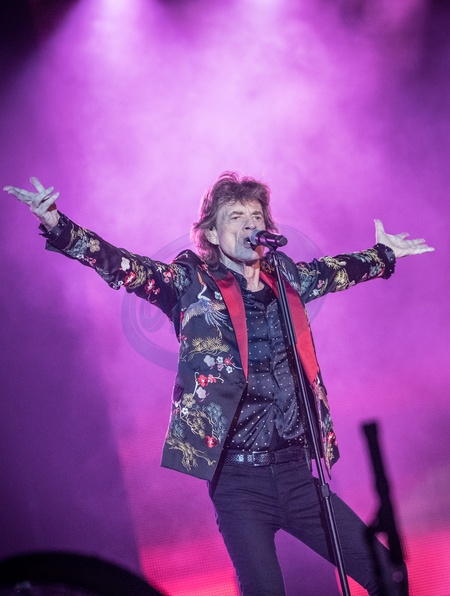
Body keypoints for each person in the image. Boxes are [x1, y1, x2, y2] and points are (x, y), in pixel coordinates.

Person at [4, 174, 433, 595]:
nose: (250, 225)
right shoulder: (189, 283)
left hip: (299, 474)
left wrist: (384, 254)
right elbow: (125, 266)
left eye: (256, 216)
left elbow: (334, 271)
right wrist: (58, 225)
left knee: (387, 577)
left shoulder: (285, 278)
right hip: (239, 483)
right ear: (211, 232)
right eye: (236, 217)